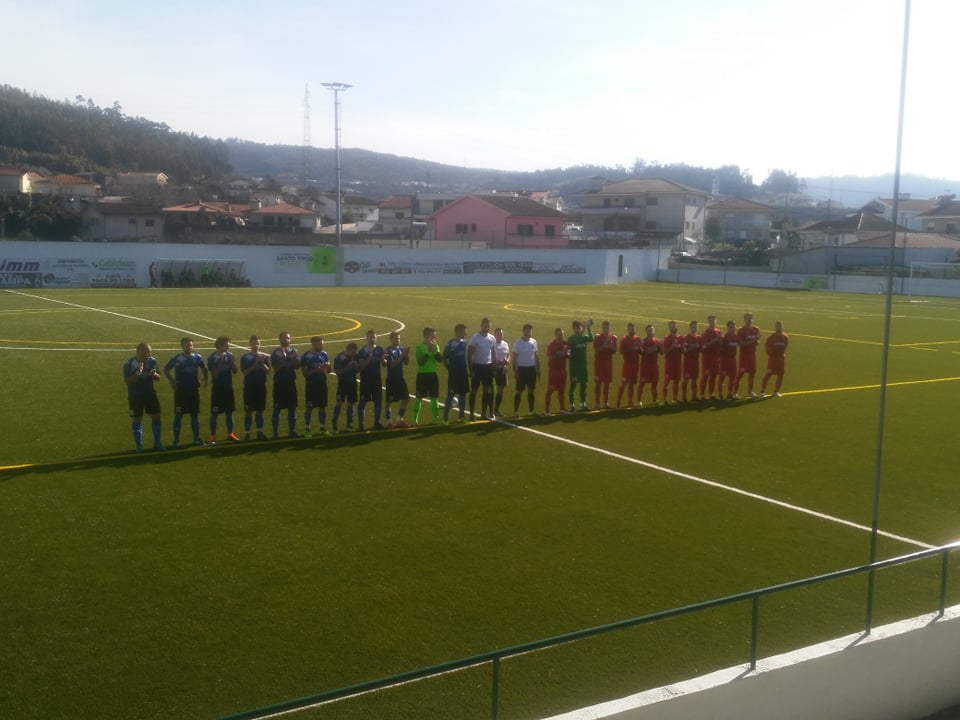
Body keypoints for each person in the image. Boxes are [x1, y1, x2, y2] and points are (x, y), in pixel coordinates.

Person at [164, 336, 208, 447]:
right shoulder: (177, 358)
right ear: (182, 346)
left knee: (194, 415)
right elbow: (166, 369)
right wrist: (172, 382)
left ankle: (196, 439)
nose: (189, 347)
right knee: (178, 416)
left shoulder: (197, 357)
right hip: (181, 391)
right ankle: (176, 441)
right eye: (187, 345)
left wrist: (205, 378)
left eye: (191, 345)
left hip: (193, 390)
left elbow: (203, 367)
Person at [123, 342, 164, 451]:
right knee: (137, 419)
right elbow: (127, 381)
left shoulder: (152, 361)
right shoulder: (129, 363)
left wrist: (154, 374)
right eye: (147, 352)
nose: (149, 354)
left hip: (150, 394)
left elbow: (159, 377)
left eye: (150, 352)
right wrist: (137, 374)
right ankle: (139, 446)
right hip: (135, 396)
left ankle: (157, 443)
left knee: (156, 416)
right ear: (139, 351)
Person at [208, 335, 239, 444]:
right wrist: (221, 362)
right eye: (226, 345)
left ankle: (230, 433)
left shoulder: (229, 355)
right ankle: (212, 436)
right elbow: (214, 375)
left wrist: (233, 362)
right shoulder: (212, 357)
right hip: (218, 389)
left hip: (228, 388)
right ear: (220, 346)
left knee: (230, 412)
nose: (228, 347)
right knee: (214, 413)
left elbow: (235, 371)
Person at [241, 335, 271, 441]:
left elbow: (268, 371)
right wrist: (255, 364)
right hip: (249, 387)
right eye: (254, 344)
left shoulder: (264, 357)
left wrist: (262, 364)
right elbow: (245, 372)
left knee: (260, 410)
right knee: (248, 411)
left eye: (258, 344)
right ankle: (247, 434)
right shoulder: (245, 357)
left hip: (261, 387)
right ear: (250, 344)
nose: (256, 346)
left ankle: (260, 432)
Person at [270, 331, 300, 438]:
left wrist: (293, 357)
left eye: (288, 338)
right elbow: (276, 368)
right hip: (279, 384)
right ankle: (275, 433)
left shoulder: (294, 351)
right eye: (284, 338)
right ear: (280, 339)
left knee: (292, 408)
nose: (286, 340)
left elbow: (297, 366)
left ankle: (292, 431)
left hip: (290, 383)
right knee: (277, 409)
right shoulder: (275, 353)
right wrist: (284, 358)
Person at [300, 335, 331, 436]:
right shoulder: (306, 356)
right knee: (309, 407)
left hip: (322, 383)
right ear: (313, 344)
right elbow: (305, 373)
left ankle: (323, 428)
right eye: (320, 344)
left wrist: (328, 367)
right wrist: (316, 370)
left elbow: (329, 370)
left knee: (322, 406)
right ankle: (307, 429)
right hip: (311, 384)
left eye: (322, 344)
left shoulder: (324, 354)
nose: (322, 346)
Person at [467, 317, 497, 420]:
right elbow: (469, 354)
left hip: (488, 367)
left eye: (488, 326)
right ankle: (471, 414)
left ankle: (483, 413)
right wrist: (471, 369)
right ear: (481, 326)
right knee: (474, 390)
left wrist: (494, 367)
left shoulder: (492, 338)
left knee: (486, 391)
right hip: (477, 366)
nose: (487, 327)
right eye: (485, 326)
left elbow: (493, 353)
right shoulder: (475, 338)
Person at [356, 329, 385, 430]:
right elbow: (361, 367)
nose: (372, 339)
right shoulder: (362, 351)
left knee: (378, 401)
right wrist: (369, 357)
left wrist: (383, 359)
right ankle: (361, 425)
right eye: (371, 337)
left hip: (376, 379)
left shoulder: (380, 349)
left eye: (374, 337)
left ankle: (377, 423)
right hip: (366, 380)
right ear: (366, 338)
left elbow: (384, 364)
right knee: (363, 401)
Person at [414, 327, 443, 425]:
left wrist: (436, 351)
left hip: (433, 374)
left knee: (434, 397)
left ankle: (435, 419)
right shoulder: (419, 347)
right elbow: (420, 362)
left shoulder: (436, 345)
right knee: (419, 397)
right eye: (432, 336)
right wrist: (429, 352)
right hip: (422, 375)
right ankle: (415, 420)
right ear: (426, 336)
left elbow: (440, 360)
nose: (434, 338)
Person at [511, 323, 540, 417]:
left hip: (531, 369)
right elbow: (514, 359)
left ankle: (531, 411)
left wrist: (538, 369)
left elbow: (536, 356)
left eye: (530, 331)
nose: (529, 333)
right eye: (527, 331)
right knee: (519, 391)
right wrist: (515, 372)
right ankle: (516, 412)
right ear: (523, 331)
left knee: (531, 391)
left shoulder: (534, 342)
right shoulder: (518, 343)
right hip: (521, 370)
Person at [383, 330, 410, 428]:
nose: (398, 340)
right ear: (391, 339)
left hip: (400, 379)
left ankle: (399, 419)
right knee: (389, 401)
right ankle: (389, 422)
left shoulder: (401, 349)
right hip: (391, 380)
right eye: (395, 339)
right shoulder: (387, 351)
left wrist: (406, 354)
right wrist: (402, 355)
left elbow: (406, 363)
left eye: (399, 339)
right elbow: (392, 365)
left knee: (406, 399)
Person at [443, 323, 469, 422]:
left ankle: (461, 417)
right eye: (464, 331)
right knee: (450, 395)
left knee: (463, 394)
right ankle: (445, 419)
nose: (465, 333)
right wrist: (450, 369)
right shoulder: (450, 344)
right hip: (454, 373)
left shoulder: (464, 342)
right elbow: (444, 358)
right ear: (458, 331)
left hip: (463, 372)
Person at [567, 318, 594, 411]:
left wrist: (589, 328)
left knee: (583, 384)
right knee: (573, 385)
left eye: (579, 327)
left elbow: (591, 338)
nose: (578, 329)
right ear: (573, 328)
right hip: (574, 366)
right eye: (576, 328)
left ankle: (583, 403)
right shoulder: (571, 339)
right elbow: (576, 342)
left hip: (583, 366)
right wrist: (583, 333)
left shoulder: (584, 337)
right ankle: (571, 404)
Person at [733, 312, 761, 399]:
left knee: (752, 373)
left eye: (751, 318)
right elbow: (740, 344)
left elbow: (757, 342)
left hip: (752, 354)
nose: (749, 319)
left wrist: (756, 341)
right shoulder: (741, 330)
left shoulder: (756, 329)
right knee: (740, 373)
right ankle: (735, 393)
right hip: (744, 355)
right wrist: (753, 341)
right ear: (744, 319)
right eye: (748, 318)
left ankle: (750, 392)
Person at [331, 342, 359, 433]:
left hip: (352, 384)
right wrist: (348, 367)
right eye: (352, 352)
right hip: (342, 384)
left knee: (351, 404)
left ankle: (349, 424)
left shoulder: (355, 357)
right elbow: (337, 372)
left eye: (354, 352)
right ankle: (334, 422)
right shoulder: (339, 358)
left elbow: (357, 371)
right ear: (348, 350)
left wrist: (356, 367)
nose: (353, 354)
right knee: (340, 403)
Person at [760, 320, 789, 398]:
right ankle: (762, 391)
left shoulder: (785, 337)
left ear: (782, 327)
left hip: (781, 359)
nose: (779, 327)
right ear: (775, 327)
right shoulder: (771, 337)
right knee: (768, 374)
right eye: (777, 326)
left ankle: (776, 391)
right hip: (773, 359)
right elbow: (767, 347)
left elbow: (785, 346)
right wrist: (771, 355)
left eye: (780, 326)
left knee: (780, 375)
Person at [616, 322, 642, 408]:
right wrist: (631, 349)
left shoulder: (638, 339)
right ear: (628, 330)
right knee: (624, 383)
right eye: (630, 329)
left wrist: (640, 348)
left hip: (635, 365)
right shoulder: (624, 339)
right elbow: (621, 351)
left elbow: (642, 352)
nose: (632, 330)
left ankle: (630, 402)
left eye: (633, 329)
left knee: (632, 384)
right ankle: (618, 402)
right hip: (628, 364)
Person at [592, 320, 617, 409]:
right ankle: (597, 403)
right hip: (599, 363)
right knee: (598, 384)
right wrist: (604, 346)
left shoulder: (613, 337)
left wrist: (610, 346)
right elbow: (596, 351)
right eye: (605, 327)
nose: (606, 329)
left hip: (608, 363)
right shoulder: (598, 337)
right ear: (602, 328)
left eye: (608, 327)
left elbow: (614, 351)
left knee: (607, 383)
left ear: (610, 328)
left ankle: (606, 403)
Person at [544, 327, 569, 414]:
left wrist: (567, 353)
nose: (560, 336)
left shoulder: (565, 344)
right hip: (554, 371)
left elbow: (570, 356)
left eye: (561, 334)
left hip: (563, 370)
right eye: (558, 334)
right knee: (550, 390)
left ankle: (562, 408)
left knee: (562, 390)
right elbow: (550, 357)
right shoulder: (551, 345)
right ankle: (546, 410)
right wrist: (558, 354)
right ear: (555, 335)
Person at [636, 324, 662, 406]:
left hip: (654, 365)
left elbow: (662, 353)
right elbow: (643, 353)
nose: (651, 331)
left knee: (655, 383)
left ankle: (655, 400)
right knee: (642, 383)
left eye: (652, 330)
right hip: (645, 366)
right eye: (649, 330)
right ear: (646, 331)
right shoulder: (643, 341)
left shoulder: (657, 341)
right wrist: (653, 348)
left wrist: (661, 346)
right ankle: (639, 401)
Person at [699, 315, 723, 400]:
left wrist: (721, 340)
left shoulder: (718, 331)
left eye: (713, 321)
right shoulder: (705, 332)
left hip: (716, 357)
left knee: (714, 376)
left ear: (716, 321)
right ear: (708, 322)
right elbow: (704, 345)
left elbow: (721, 344)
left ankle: (711, 394)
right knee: (706, 375)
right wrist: (715, 340)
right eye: (710, 321)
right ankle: (702, 395)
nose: (712, 323)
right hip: (707, 357)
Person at [661, 320, 684, 404]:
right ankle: (664, 399)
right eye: (671, 326)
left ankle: (675, 398)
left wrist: (681, 347)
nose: (673, 328)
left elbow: (683, 351)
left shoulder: (680, 338)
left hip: (678, 363)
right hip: (669, 363)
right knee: (667, 381)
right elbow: (664, 351)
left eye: (674, 326)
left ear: (676, 326)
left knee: (676, 381)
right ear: (669, 328)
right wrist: (672, 346)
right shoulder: (667, 338)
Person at [492, 327, 510, 417]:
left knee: (501, 390)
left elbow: (508, 354)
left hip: (503, 369)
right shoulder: (493, 344)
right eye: (498, 334)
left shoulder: (505, 344)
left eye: (501, 334)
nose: (500, 336)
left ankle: (496, 410)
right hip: (494, 369)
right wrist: (496, 362)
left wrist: (507, 360)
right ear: (495, 335)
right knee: (491, 389)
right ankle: (490, 409)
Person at [719, 320, 740, 399]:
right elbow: (720, 348)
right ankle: (720, 394)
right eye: (731, 327)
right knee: (722, 376)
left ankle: (729, 393)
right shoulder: (724, 337)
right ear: (727, 328)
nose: (733, 328)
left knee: (733, 377)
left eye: (734, 327)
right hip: (725, 359)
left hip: (733, 359)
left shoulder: (736, 337)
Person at [681, 321, 701, 402]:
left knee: (694, 379)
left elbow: (700, 349)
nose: (694, 328)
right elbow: (684, 351)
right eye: (693, 327)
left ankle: (694, 396)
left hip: (696, 361)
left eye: (696, 327)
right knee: (686, 379)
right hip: (688, 361)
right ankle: (684, 397)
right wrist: (692, 347)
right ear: (690, 327)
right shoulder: (686, 337)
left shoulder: (699, 338)